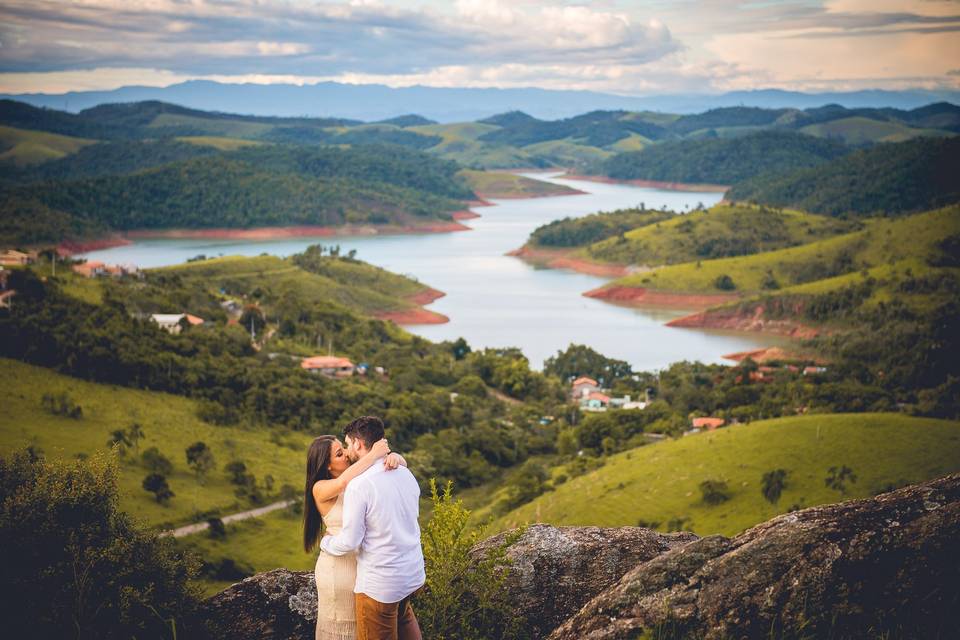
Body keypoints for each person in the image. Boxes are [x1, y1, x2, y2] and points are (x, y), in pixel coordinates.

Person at [321, 416, 425, 640]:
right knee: (404, 617)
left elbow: (350, 541)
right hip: (412, 573)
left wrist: (326, 542)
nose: (348, 451)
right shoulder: (405, 473)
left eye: (348, 444)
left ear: (358, 443)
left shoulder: (360, 485)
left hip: (381, 583)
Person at [303, 432, 407, 640]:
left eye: (344, 449)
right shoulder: (320, 488)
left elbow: (394, 467)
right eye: (340, 454)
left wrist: (395, 457)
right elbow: (341, 483)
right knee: (342, 627)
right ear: (327, 466)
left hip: (362, 566)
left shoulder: (356, 477)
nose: (347, 455)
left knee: (364, 627)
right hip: (338, 569)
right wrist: (374, 453)